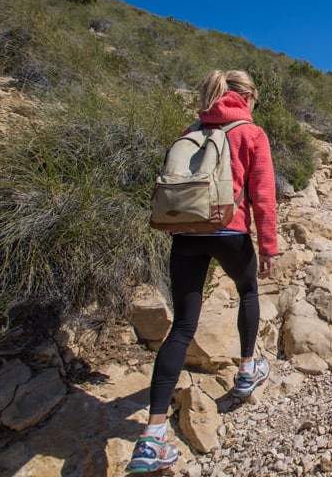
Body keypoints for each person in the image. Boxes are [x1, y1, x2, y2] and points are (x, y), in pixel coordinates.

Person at [126, 69, 279, 473]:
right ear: (247, 97)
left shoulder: (191, 128)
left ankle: (152, 437)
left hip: (187, 233)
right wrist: (268, 247)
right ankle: (247, 372)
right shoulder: (251, 132)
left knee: (181, 327)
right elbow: (263, 195)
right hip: (229, 230)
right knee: (247, 292)